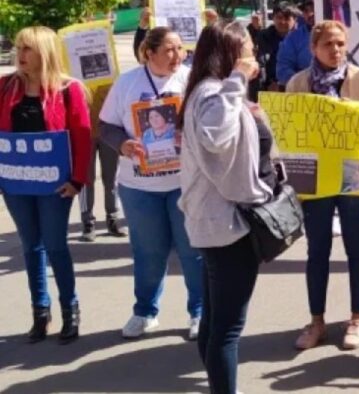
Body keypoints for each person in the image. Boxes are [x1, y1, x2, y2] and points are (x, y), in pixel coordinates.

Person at [179, 20, 274, 394]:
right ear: (230, 53)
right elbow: (217, 137)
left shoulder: (212, 92)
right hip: (226, 224)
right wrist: (237, 79)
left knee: (216, 324)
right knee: (227, 331)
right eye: (246, 48)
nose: (253, 55)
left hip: (219, 221)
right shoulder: (214, 91)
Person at [99, 27, 203, 340]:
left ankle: (199, 311)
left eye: (180, 49)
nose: (177, 55)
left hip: (184, 183)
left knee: (192, 251)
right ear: (150, 53)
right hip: (139, 186)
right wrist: (123, 145)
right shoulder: (128, 82)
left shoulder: (191, 80)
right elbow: (105, 125)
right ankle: (145, 311)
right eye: (169, 49)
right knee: (148, 252)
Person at [287, 20, 359, 351]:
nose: (336, 50)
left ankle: (357, 318)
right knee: (318, 250)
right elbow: (290, 136)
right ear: (314, 48)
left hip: (356, 172)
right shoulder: (298, 84)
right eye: (328, 44)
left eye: (341, 43)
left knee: (358, 247)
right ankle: (316, 322)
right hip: (315, 176)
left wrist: (351, 119)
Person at [0, 26, 91, 343]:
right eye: (19, 48)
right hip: (15, 185)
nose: (20, 55)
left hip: (56, 186)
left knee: (55, 246)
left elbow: (81, 138)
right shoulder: (4, 87)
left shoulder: (69, 90)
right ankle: (40, 312)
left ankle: (70, 310)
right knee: (30, 246)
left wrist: (78, 180)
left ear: (45, 53)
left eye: (28, 49)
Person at [79, 83, 126, 242]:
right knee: (86, 180)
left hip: (108, 134)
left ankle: (113, 219)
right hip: (84, 134)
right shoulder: (75, 81)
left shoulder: (111, 79)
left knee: (111, 178)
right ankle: (88, 222)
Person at [254, 3, 296, 99]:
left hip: (294, 88)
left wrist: (282, 85)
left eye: (287, 18)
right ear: (273, 18)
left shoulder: (301, 39)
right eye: (279, 17)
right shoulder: (263, 36)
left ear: (294, 20)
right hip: (268, 89)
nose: (282, 22)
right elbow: (261, 63)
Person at [276, 0, 315, 88]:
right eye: (306, 11)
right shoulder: (293, 38)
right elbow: (283, 68)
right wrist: (304, 83)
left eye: (313, 9)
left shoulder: (341, 33)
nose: (310, 14)